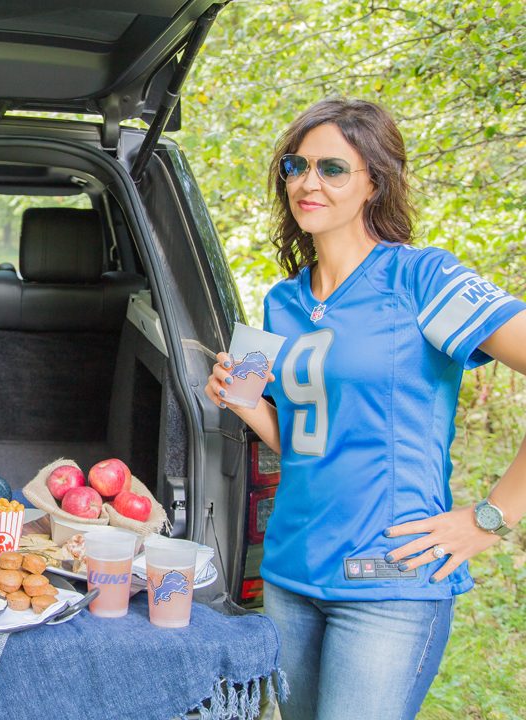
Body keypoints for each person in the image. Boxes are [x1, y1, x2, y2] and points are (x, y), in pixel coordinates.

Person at [203, 98, 526, 720]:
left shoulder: (422, 280)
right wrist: (243, 405)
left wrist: (489, 518)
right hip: (291, 573)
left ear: (374, 181)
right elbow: (306, 444)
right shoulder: (285, 301)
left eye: (332, 168)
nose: (306, 182)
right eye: (296, 166)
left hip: (389, 583)